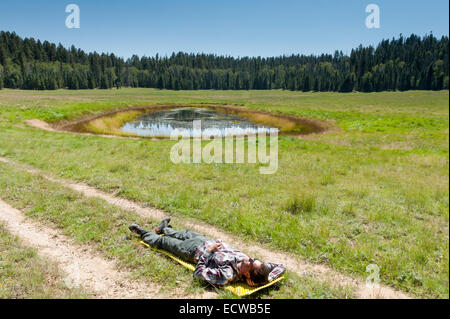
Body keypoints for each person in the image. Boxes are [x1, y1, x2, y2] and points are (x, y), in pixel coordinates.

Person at [129, 218, 286, 287]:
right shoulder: (253, 267)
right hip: (205, 240)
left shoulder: (227, 274)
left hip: (193, 251)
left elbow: (198, 274)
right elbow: (280, 267)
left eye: (251, 262)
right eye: (254, 259)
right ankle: (163, 229)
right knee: (183, 232)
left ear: (247, 274)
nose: (250, 258)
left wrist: (208, 252)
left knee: (162, 242)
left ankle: (143, 232)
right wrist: (267, 279)